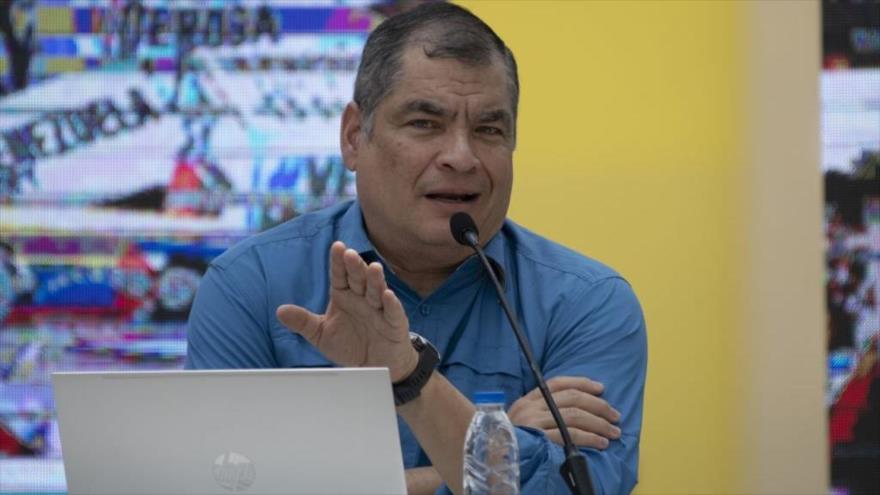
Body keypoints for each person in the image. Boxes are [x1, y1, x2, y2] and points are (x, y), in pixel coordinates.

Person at [185, 3, 647, 494]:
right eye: (425, 124)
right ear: (353, 138)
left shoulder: (587, 302)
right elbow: (226, 484)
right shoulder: (250, 286)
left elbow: (575, 490)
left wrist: (411, 378)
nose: (461, 157)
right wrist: (497, 444)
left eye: (489, 130)